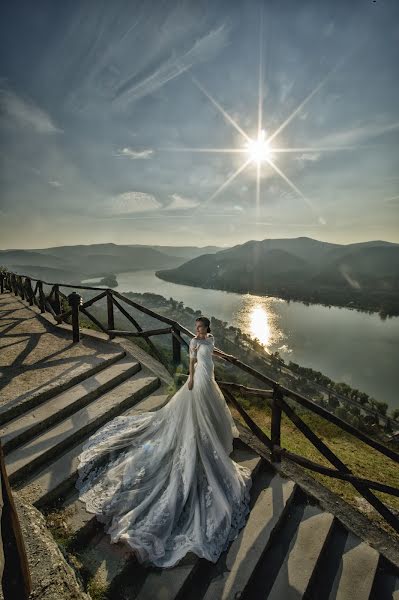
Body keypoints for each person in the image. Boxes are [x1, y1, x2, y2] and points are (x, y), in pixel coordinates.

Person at [75, 316, 253, 568]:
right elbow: (192, 361)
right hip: (199, 380)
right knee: (195, 413)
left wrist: (227, 357)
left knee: (211, 412)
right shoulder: (193, 342)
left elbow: (212, 351)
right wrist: (190, 379)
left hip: (210, 380)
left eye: (201, 328)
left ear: (208, 330)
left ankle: (210, 436)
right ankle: (197, 439)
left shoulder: (210, 341)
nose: (198, 331)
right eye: (197, 328)